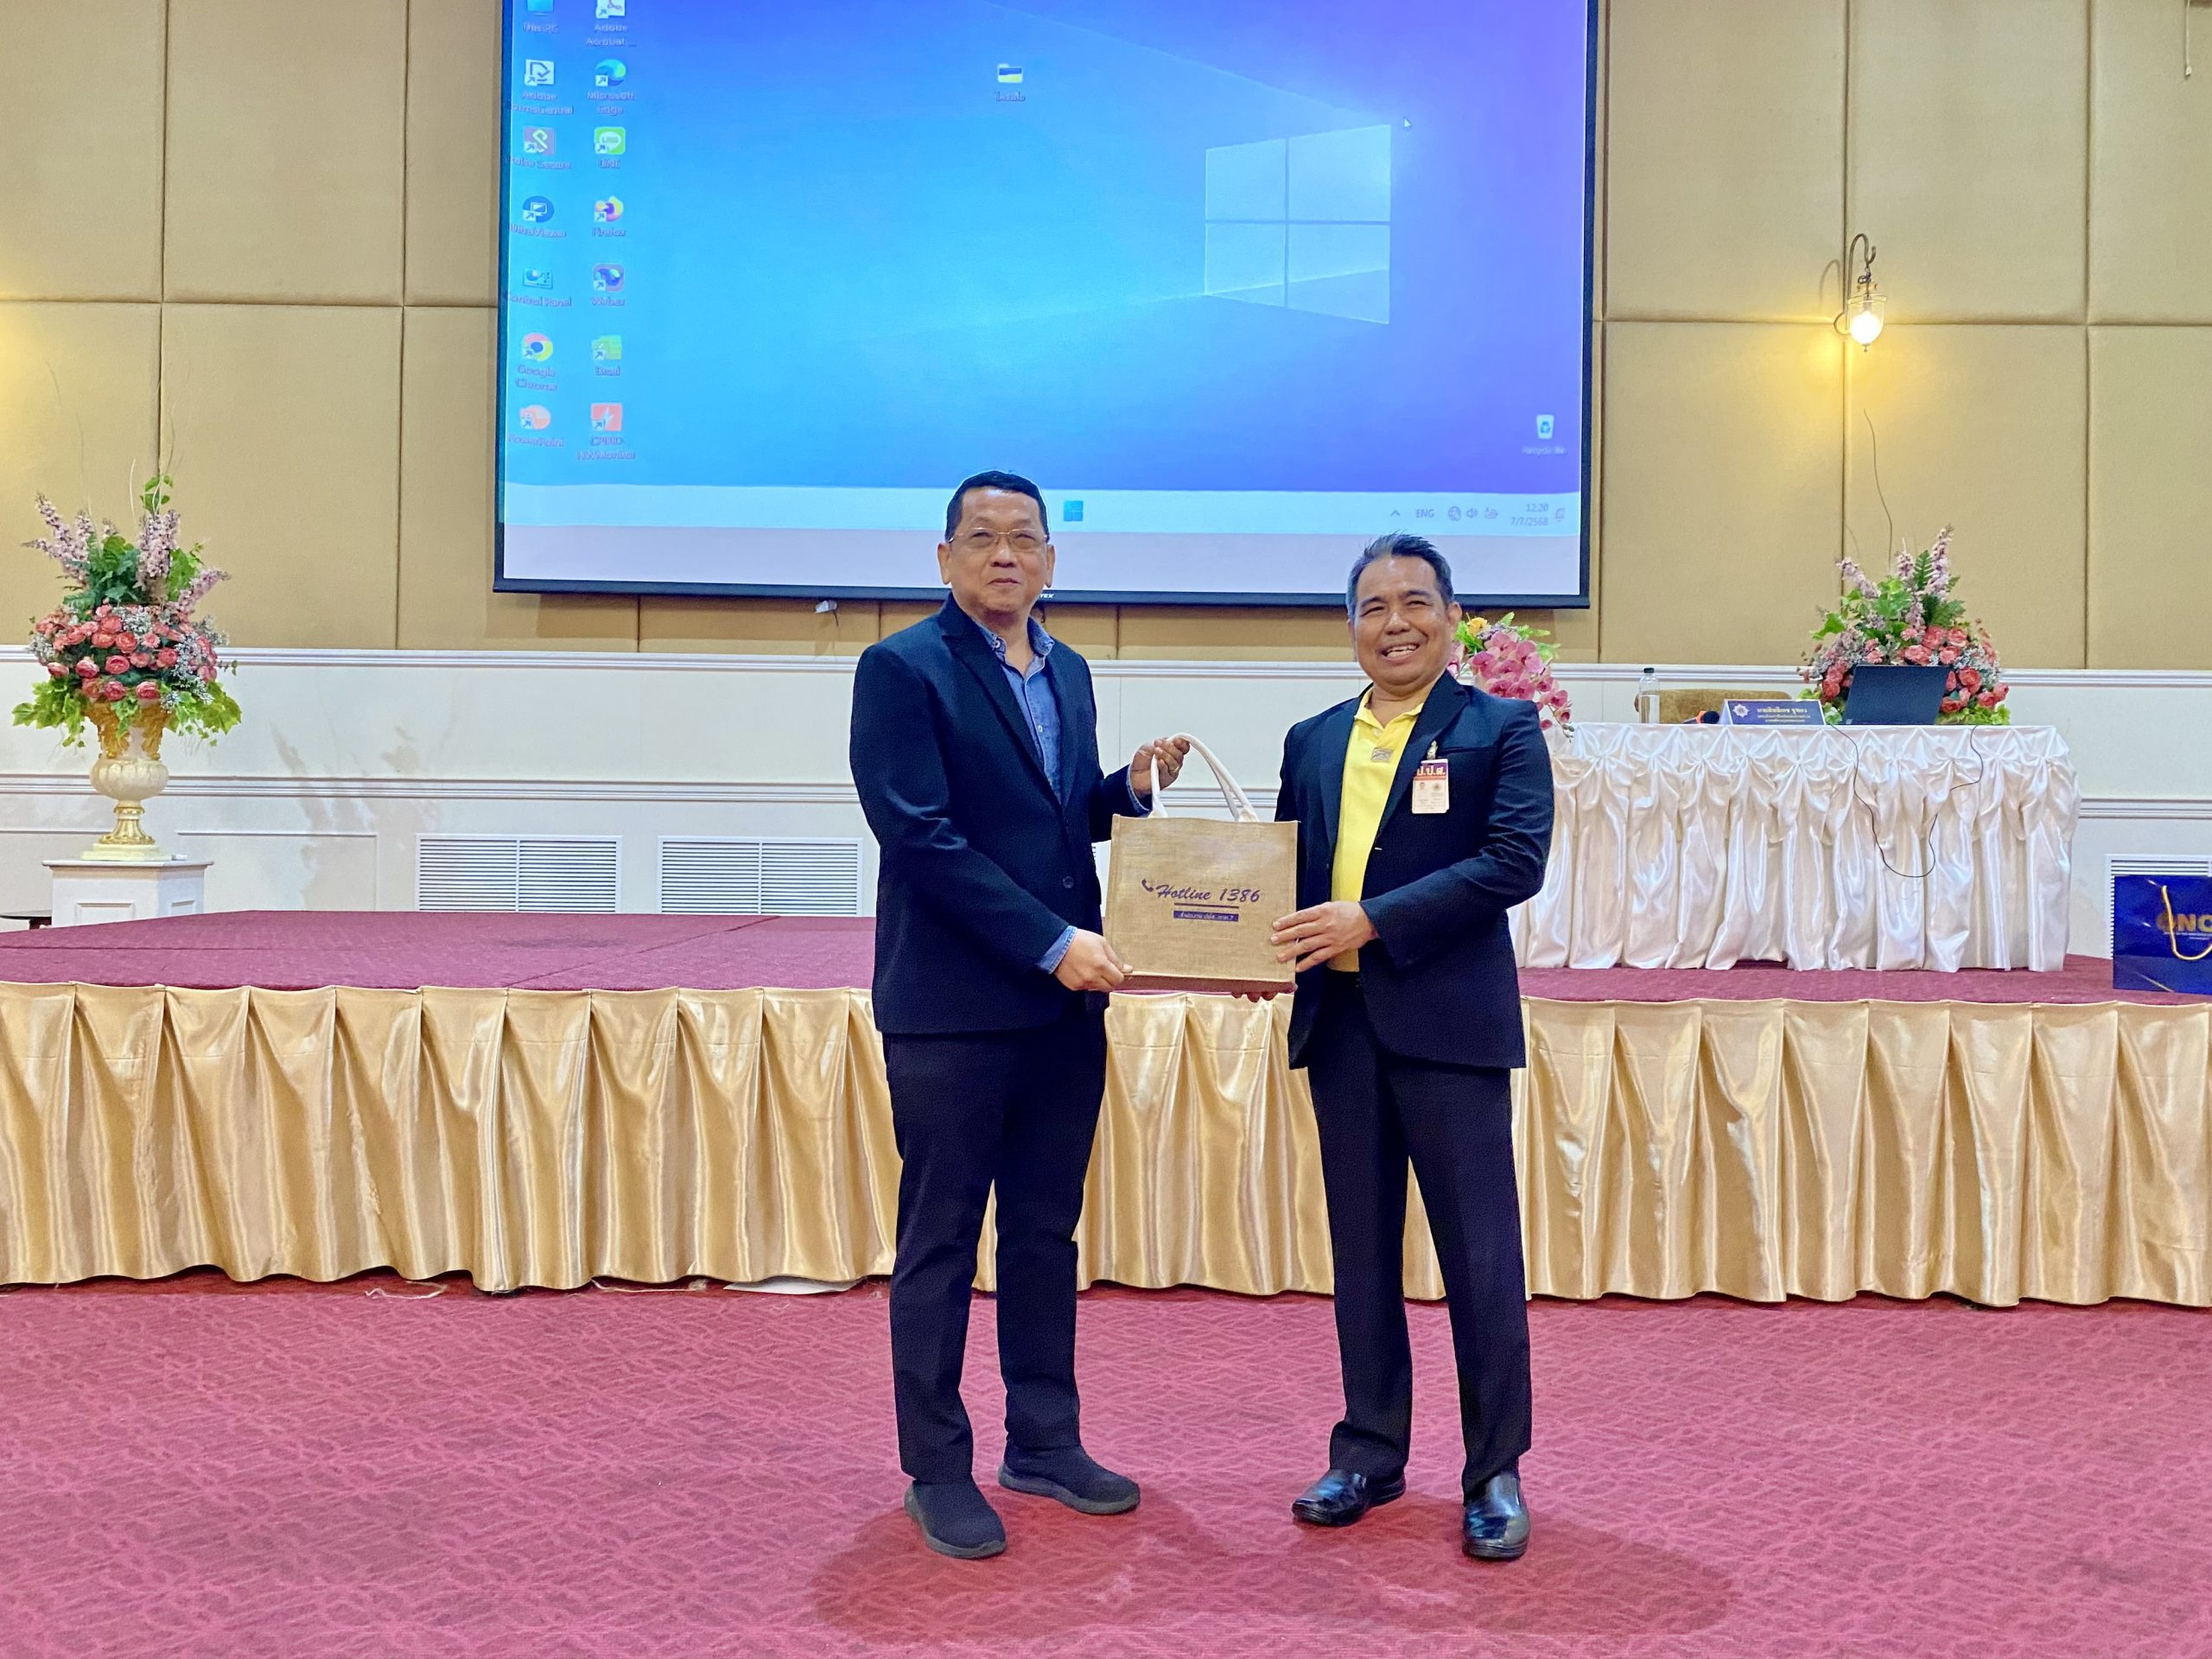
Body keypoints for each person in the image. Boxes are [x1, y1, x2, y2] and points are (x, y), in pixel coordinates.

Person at [849, 469, 1191, 1560]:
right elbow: (921, 835)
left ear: (1051, 559)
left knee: (1044, 1233)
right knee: (942, 1240)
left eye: (1024, 538)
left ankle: (1043, 1440)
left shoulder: (1069, 669)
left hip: (1060, 1010)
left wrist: (1124, 791)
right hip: (952, 1008)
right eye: (982, 537)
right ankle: (937, 1468)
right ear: (944, 557)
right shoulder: (901, 669)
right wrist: (1051, 943)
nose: (1005, 554)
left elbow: (1050, 818)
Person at [1267, 532, 1554, 1561]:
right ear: (1349, 626)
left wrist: (1374, 920)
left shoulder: (1499, 729)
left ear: (1452, 617)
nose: (1395, 623)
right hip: (1340, 1026)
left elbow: (1514, 861)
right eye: (1374, 607)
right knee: (1359, 1251)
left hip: (1449, 1026)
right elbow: (1282, 872)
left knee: (1480, 1257)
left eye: (1415, 602)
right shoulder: (1309, 739)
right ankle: (1368, 1451)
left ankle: (1494, 1471)